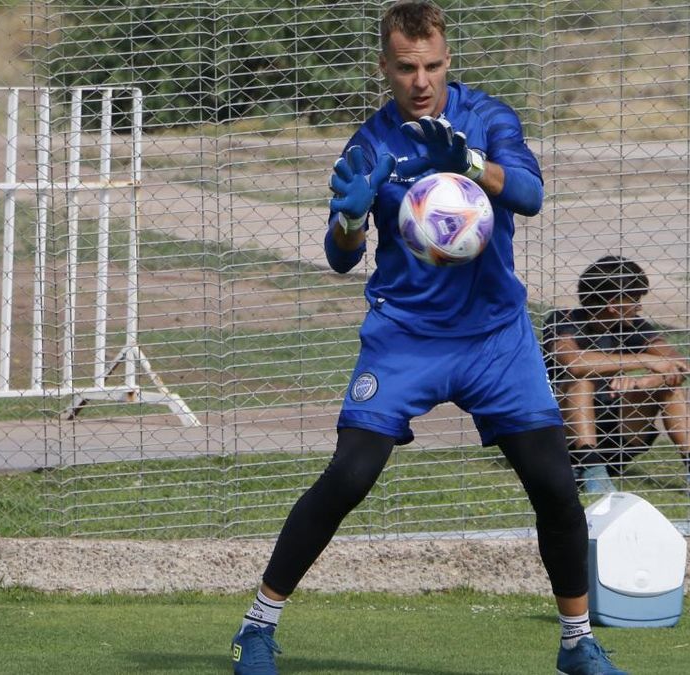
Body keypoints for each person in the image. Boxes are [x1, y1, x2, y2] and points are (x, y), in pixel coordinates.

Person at [230, 3, 628, 674]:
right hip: (406, 338)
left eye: (433, 66)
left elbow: (529, 195)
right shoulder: (370, 143)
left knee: (554, 486)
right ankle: (257, 627)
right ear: (384, 66)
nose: (421, 81)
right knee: (349, 475)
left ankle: (577, 642)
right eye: (406, 68)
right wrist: (350, 219)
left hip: (494, 337)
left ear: (448, 60)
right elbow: (340, 257)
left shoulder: (487, 118)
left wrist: (469, 163)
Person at [544, 255, 690, 500]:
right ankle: (591, 470)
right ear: (613, 304)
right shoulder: (564, 319)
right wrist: (645, 360)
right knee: (580, 380)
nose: (639, 307)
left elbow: (680, 364)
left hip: (618, 436)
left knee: (669, 386)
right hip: (563, 441)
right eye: (634, 300)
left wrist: (643, 382)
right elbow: (573, 362)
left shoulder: (633, 326)